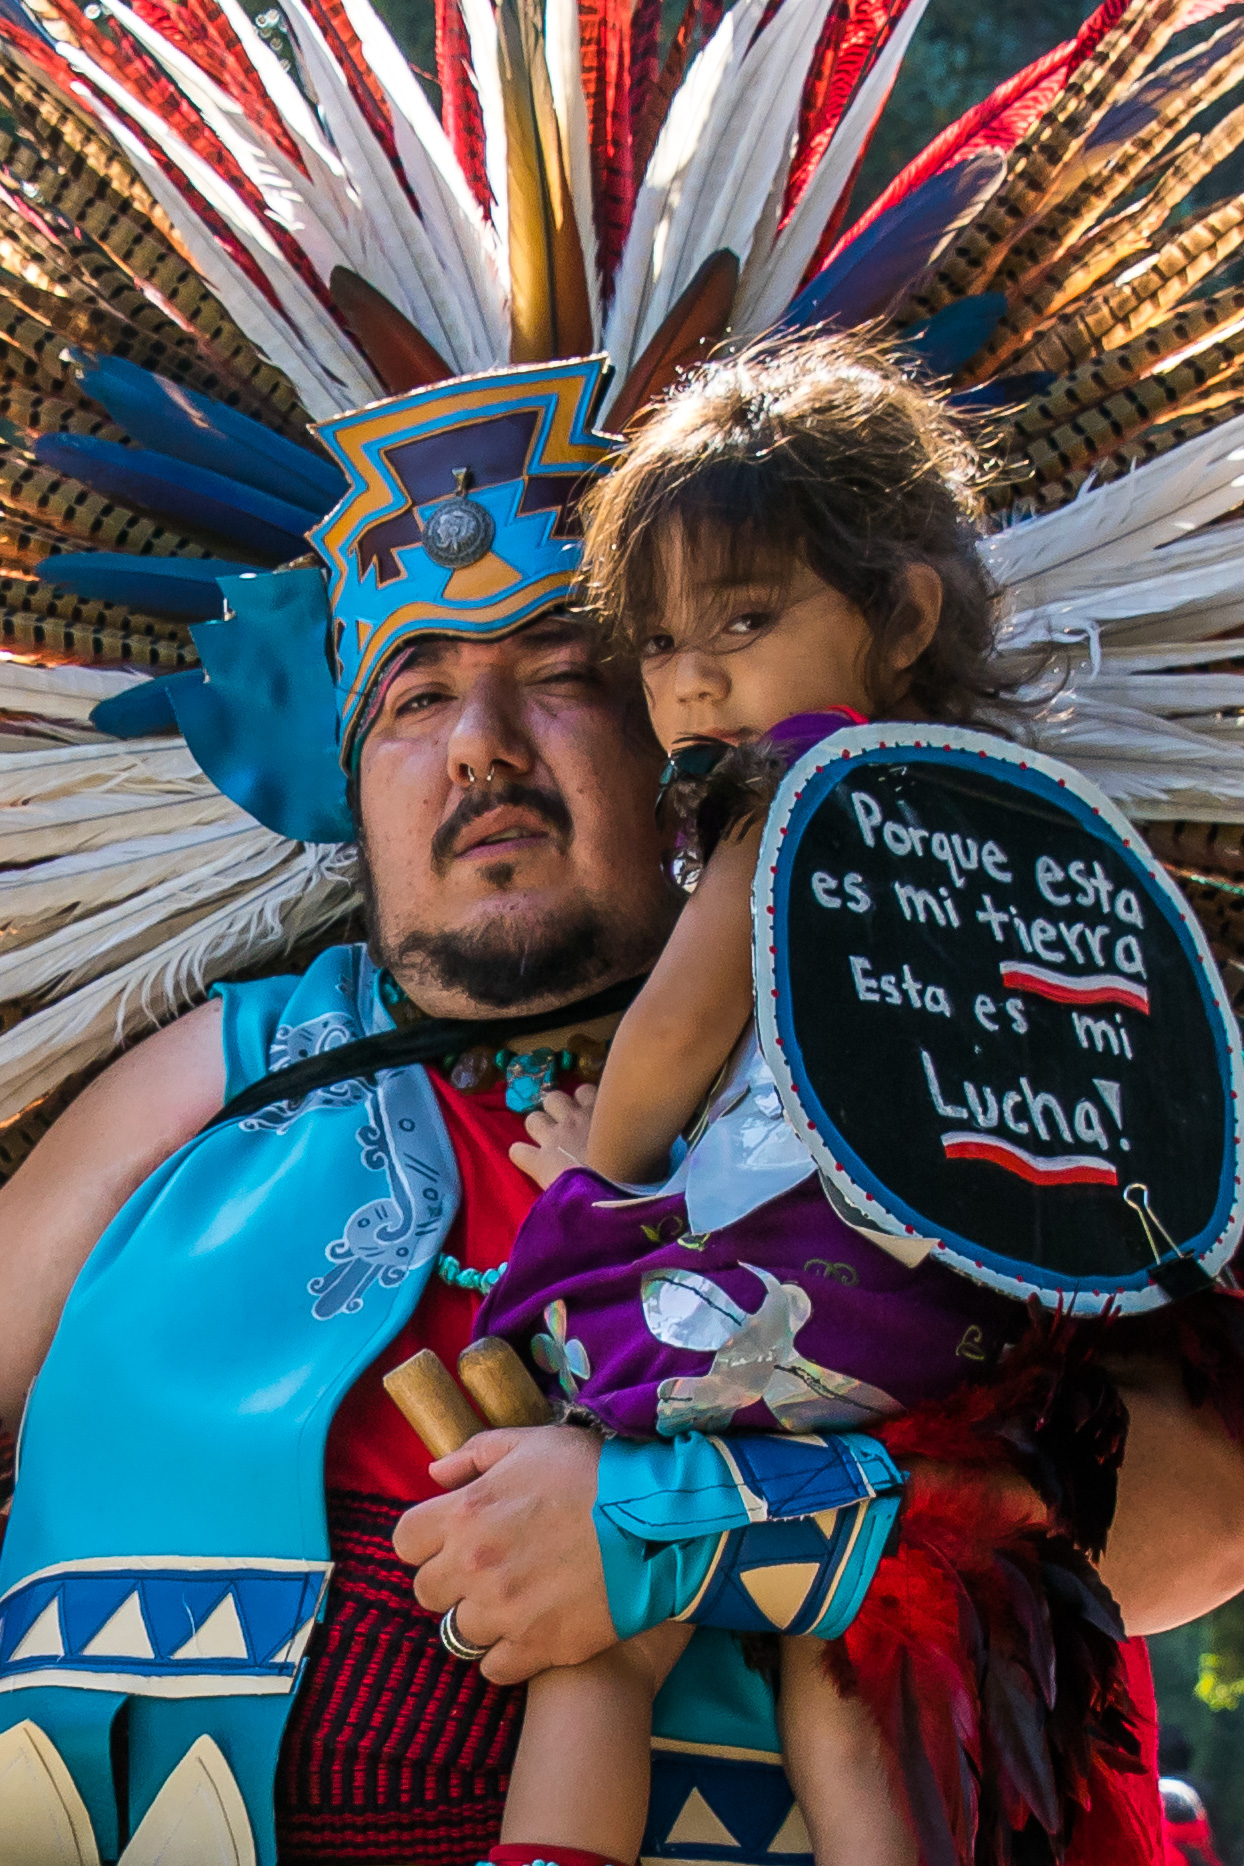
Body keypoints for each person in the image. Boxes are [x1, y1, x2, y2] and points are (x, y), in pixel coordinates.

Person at [478, 334, 1019, 1866]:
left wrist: (607, 1167)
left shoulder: (785, 804)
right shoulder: (987, 818)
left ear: (903, 614)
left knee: (606, 1640)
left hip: (783, 1306)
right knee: (841, 1656)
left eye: (745, 617)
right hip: (943, 1324)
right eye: (655, 645)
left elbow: (670, 1035)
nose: (694, 675)